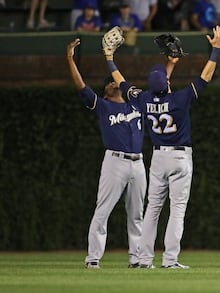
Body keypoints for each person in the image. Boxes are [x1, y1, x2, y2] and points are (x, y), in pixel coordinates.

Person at [104, 26, 220, 269]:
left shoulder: (144, 99)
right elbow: (206, 76)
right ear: (167, 83)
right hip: (180, 158)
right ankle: (170, 260)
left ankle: (145, 259)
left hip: (157, 160)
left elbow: (122, 82)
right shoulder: (179, 99)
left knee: (152, 210)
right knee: (177, 210)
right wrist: (216, 49)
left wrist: (109, 59)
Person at [66, 38, 146, 269]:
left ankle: (137, 258)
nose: (113, 82)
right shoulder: (103, 105)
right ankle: (93, 258)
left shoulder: (136, 104)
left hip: (138, 163)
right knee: (103, 210)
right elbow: (81, 86)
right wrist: (70, 59)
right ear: (105, 91)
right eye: (109, 82)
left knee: (137, 214)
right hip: (115, 161)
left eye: (115, 81)